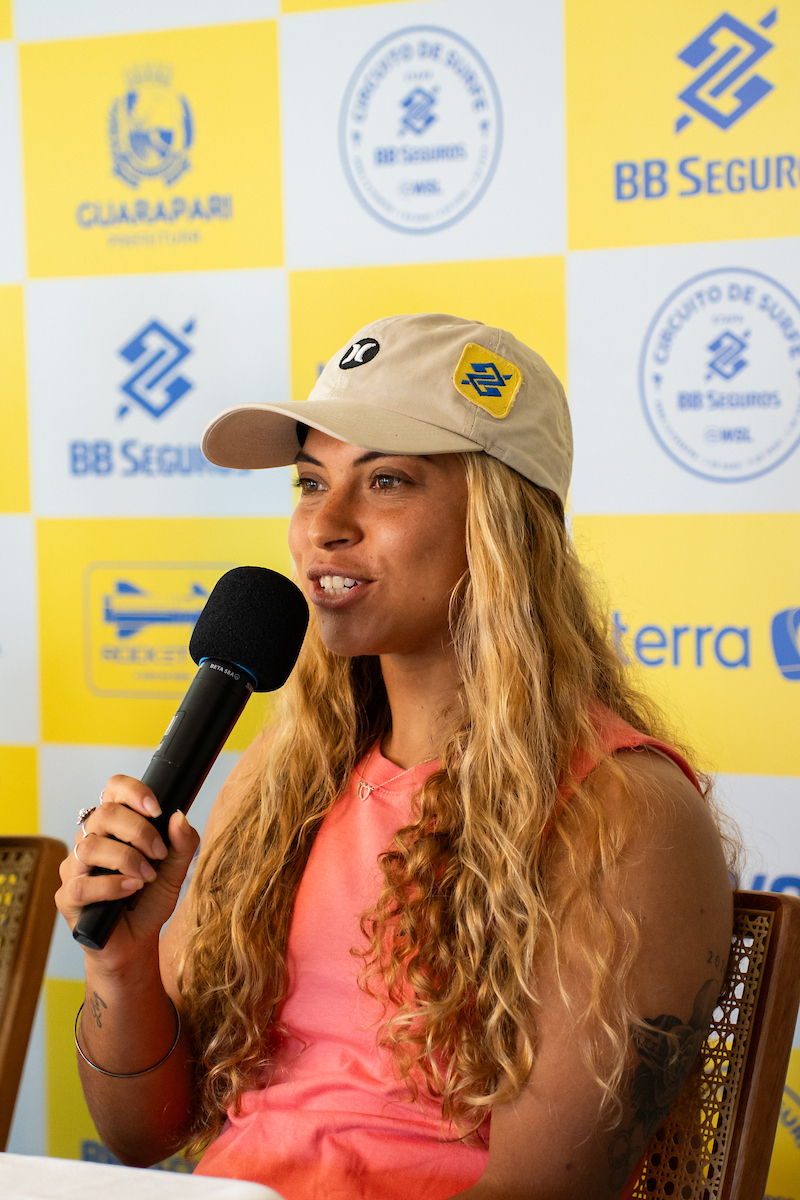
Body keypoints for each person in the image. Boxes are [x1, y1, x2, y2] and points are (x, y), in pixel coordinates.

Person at [56, 313, 735, 1200]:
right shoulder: (281, 774)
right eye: (310, 482)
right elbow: (142, 1134)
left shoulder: (623, 811)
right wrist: (122, 960)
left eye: (385, 481)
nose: (325, 525)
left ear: (502, 524)